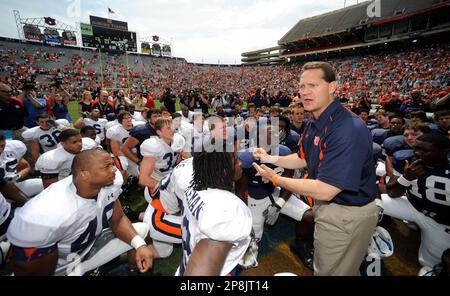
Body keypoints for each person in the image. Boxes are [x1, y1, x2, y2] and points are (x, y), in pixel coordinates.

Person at [253, 61, 378, 276]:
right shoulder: (315, 121)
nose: (305, 92)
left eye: (313, 85)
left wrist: (276, 179)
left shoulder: (347, 128)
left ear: (332, 87)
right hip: (331, 208)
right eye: (302, 87)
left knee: (331, 272)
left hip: (347, 213)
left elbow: (327, 189)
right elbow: (303, 158)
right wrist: (271, 158)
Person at [6, 149, 157, 276]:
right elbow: (27, 267)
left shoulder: (110, 183)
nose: (114, 170)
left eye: (112, 164)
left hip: (88, 248)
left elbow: (117, 219)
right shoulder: (46, 212)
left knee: (141, 233)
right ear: (84, 174)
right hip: (61, 267)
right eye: (106, 166)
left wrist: (140, 246)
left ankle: (131, 270)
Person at [176, 143, 252, 276]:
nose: (240, 163)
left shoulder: (194, 185)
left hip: (188, 262)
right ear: (223, 171)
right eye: (235, 160)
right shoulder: (226, 211)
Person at [383, 133, 450, 271]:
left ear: (444, 151)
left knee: (430, 264)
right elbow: (392, 192)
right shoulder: (408, 160)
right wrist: (406, 178)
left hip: (438, 221)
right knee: (372, 204)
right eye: (415, 148)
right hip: (412, 207)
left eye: (425, 150)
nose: (417, 153)